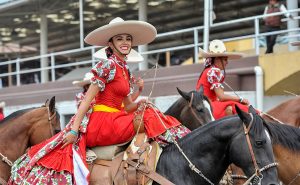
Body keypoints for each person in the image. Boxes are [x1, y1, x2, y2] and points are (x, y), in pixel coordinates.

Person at [9, 17, 190, 185]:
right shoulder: (107, 65)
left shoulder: (124, 70)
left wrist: (141, 102)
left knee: (148, 110)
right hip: (101, 122)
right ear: (110, 43)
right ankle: (184, 143)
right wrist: (73, 130)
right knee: (150, 115)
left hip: (115, 119)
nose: (125, 42)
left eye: (128, 38)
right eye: (119, 39)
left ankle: (179, 146)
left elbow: (127, 106)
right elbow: (87, 101)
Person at [196, 40, 251, 120]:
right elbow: (221, 97)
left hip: (206, 105)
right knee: (235, 107)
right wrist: (240, 99)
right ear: (217, 59)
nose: (227, 62)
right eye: (225, 59)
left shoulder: (207, 70)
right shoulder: (213, 71)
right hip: (209, 106)